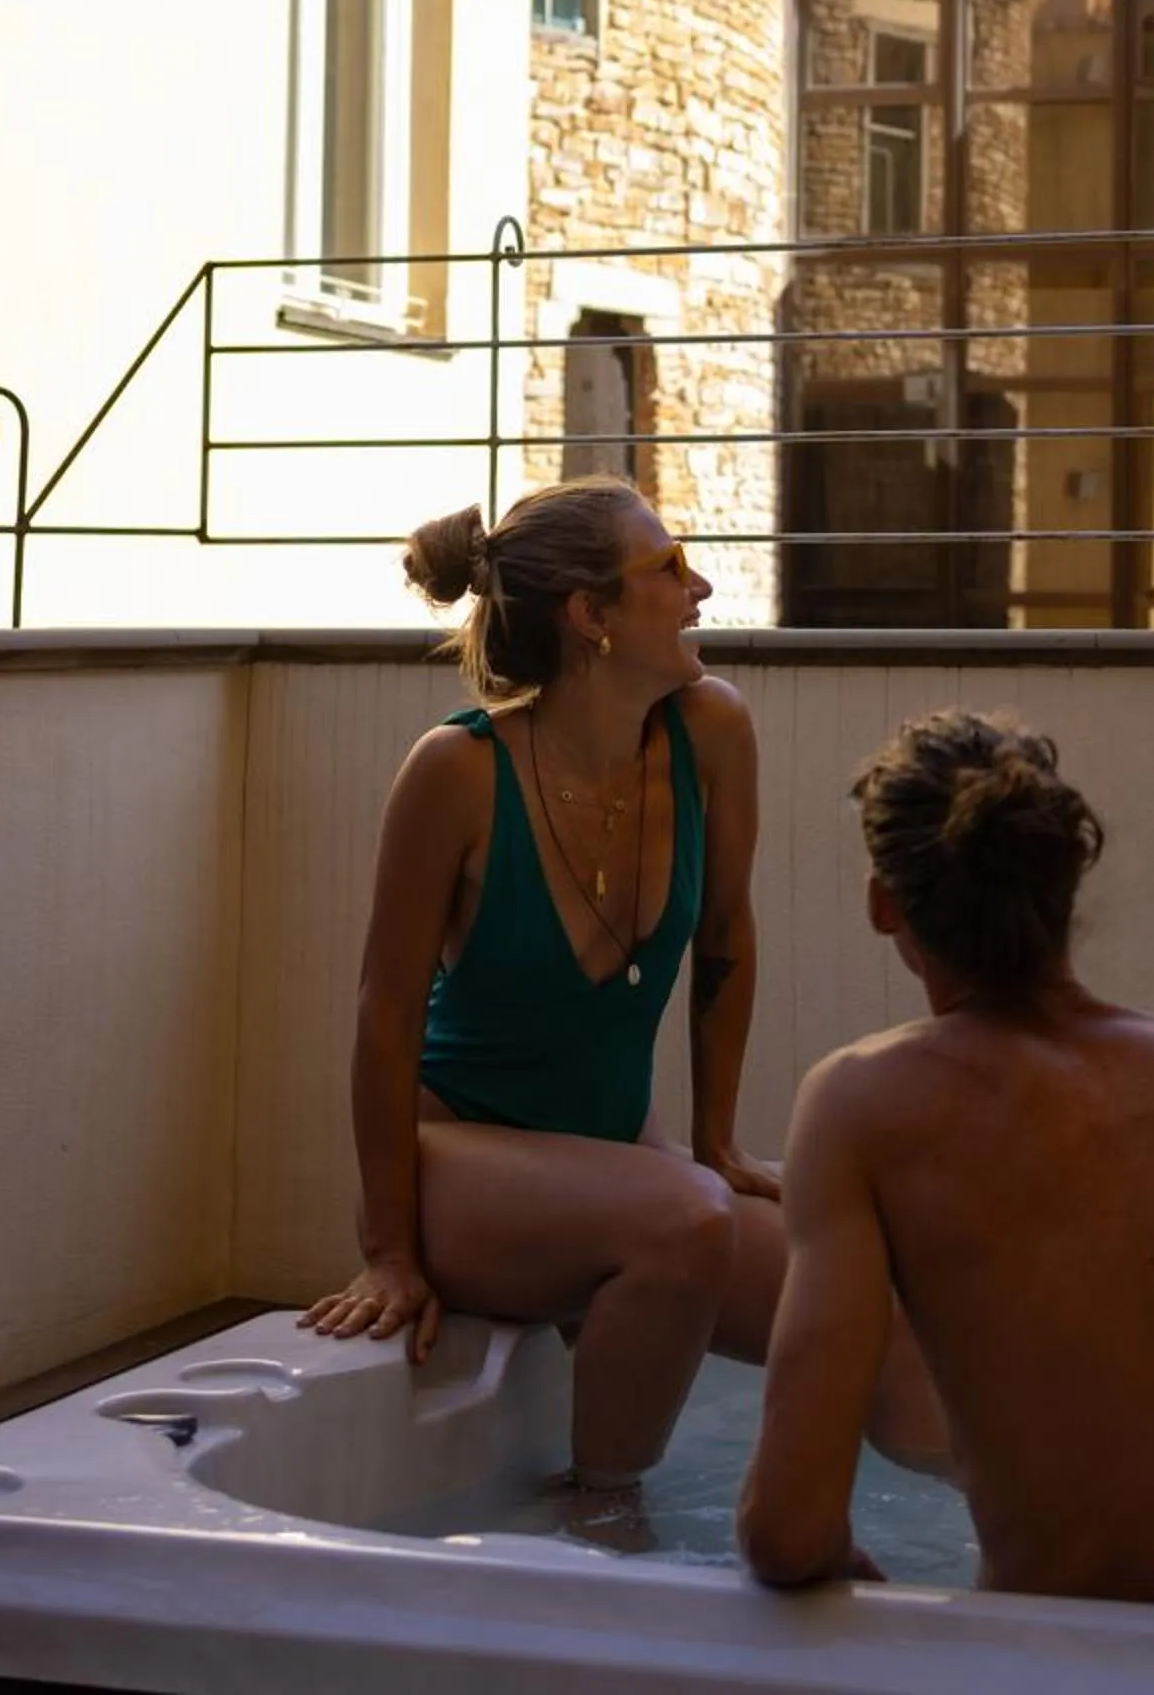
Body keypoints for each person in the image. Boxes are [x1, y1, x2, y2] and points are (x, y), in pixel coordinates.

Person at [301, 477, 942, 1518]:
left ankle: (1044, 1553)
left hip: (618, 1162)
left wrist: (721, 1141)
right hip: (459, 1165)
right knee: (683, 1218)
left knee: (877, 1305)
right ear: (591, 617)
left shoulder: (710, 732)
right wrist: (387, 1250)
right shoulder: (457, 772)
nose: (700, 587)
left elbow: (727, 939)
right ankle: (603, 1529)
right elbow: (382, 1013)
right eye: (667, 569)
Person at [737, 709, 1154, 1609]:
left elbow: (785, 1532)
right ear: (1067, 882)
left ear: (884, 903)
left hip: (1079, 1657)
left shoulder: (864, 1101)